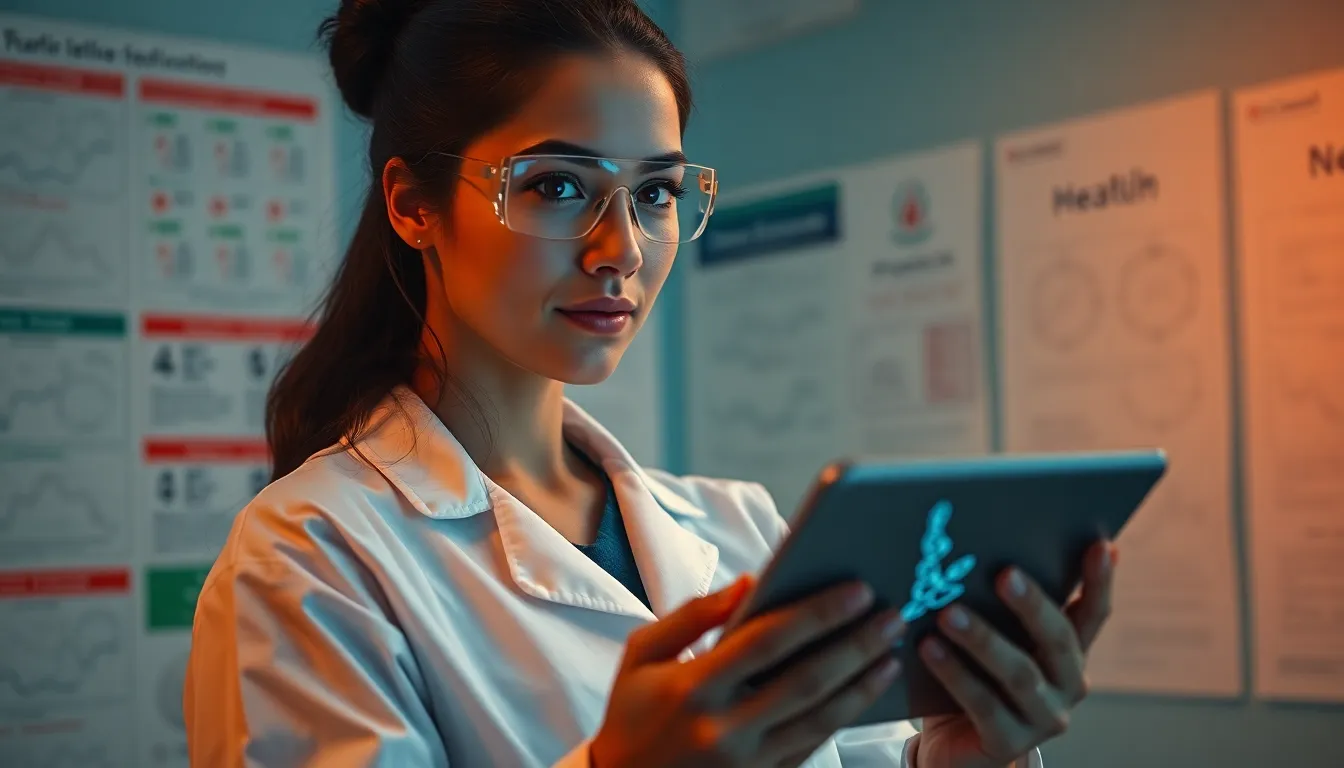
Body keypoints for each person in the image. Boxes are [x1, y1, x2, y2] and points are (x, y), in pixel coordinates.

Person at [183, 1, 1119, 765]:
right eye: (557, 185)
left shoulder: (738, 528)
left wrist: (955, 759)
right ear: (412, 205)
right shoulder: (307, 562)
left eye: (657, 193)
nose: (620, 249)